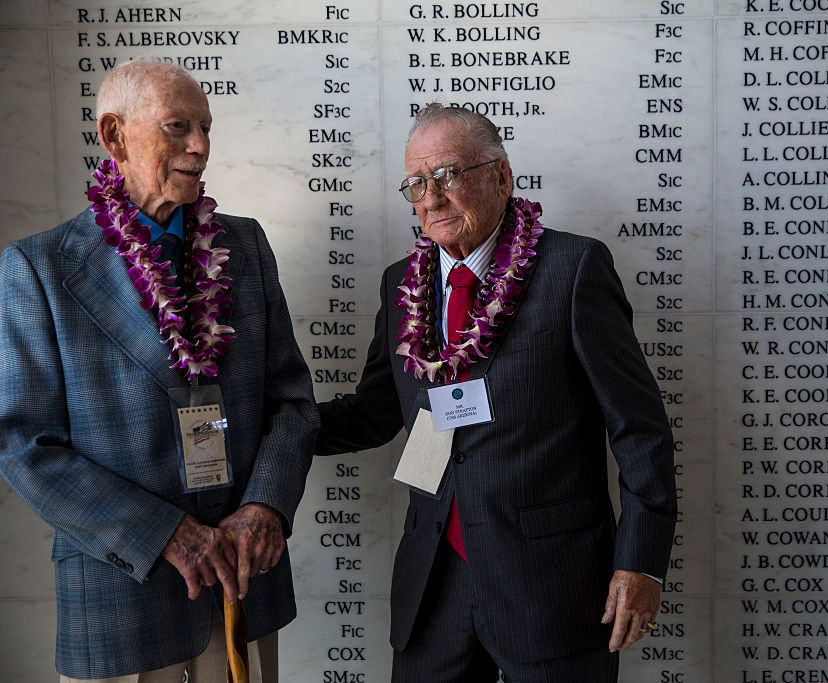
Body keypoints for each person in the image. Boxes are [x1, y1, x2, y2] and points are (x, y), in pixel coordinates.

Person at [316, 103, 677, 682]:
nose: (430, 198)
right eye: (416, 182)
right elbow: (375, 412)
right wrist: (271, 424)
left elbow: (640, 431)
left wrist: (642, 564)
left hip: (551, 584)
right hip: (433, 588)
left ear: (502, 177)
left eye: (449, 175)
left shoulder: (574, 269)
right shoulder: (398, 283)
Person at [0, 60, 318, 682]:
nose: (199, 147)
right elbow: (22, 447)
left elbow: (292, 401)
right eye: (178, 127)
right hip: (123, 602)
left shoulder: (245, 244)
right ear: (114, 136)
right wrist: (165, 533)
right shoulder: (38, 268)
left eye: (205, 128)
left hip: (242, 589)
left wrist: (265, 507)